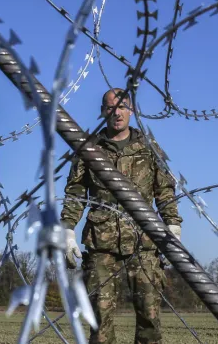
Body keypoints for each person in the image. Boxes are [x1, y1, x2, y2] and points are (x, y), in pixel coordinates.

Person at [60, 88, 182, 344]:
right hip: (101, 242)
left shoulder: (149, 147)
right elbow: (76, 192)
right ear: (103, 111)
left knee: (150, 319)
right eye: (111, 108)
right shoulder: (89, 149)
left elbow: (164, 189)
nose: (117, 113)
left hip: (144, 240)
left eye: (122, 107)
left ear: (132, 110)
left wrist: (172, 225)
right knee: (100, 320)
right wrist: (67, 230)